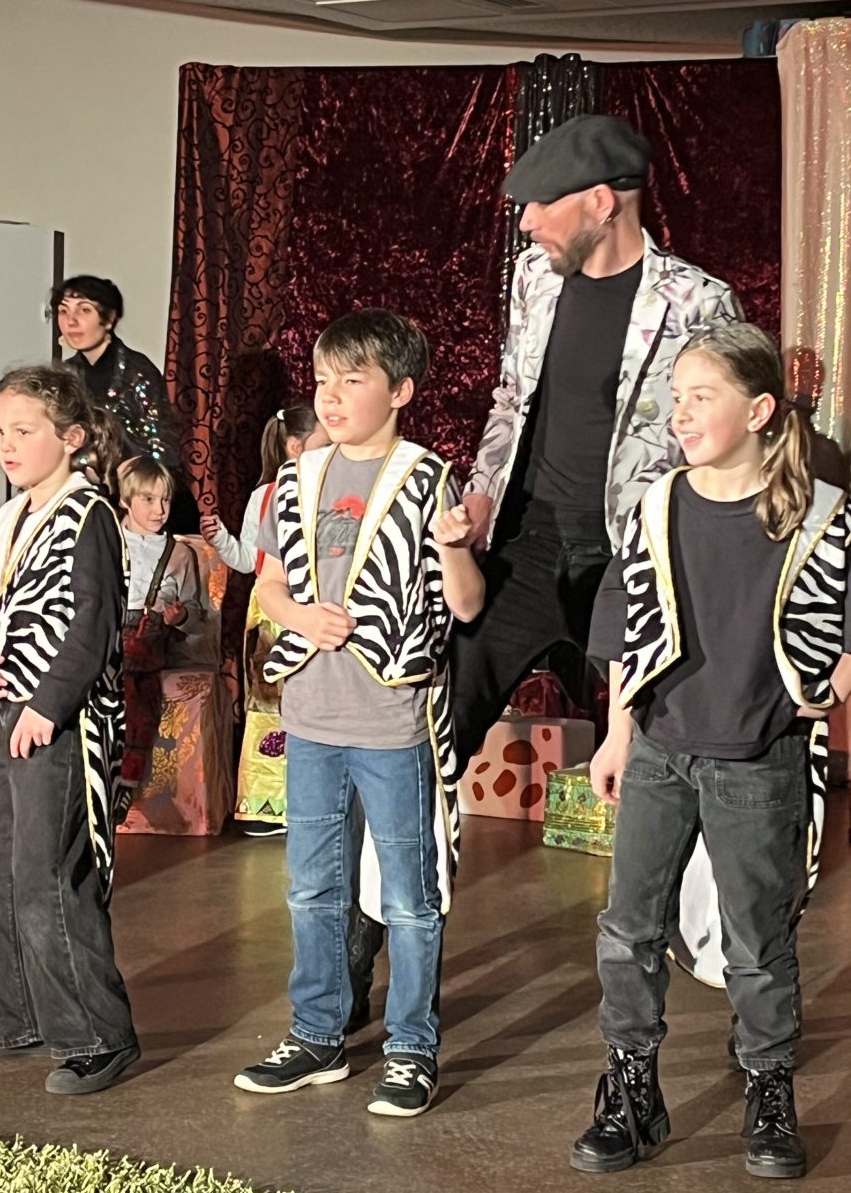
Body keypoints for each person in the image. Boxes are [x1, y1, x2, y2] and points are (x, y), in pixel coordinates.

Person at [572, 322, 851, 1179]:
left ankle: (769, 1089)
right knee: (628, 929)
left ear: (759, 410)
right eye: (676, 398)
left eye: (702, 397)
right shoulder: (659, 504)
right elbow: (629, 623)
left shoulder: (817, 514)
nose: (681, 414)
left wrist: (833, 682)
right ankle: (631, 1092)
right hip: (661, 749)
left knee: (756, 941)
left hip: (758, 760)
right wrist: (618, 733)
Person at [233, 308, 484, 1117]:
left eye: (352, 379)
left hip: (390, 723)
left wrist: (452, 547)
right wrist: (300, 618)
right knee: (311, 888)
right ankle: (317, 1035)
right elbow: (271, 585)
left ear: (400, 391)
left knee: (410, 896)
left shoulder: (427, 479)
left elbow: (466, 605)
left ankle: (412, 1048)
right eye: (322, 380)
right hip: (311, 716)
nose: (331, 396)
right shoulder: (299, 477)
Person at [452, 113, 743, 774]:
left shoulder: (697, 304)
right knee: (448, 709)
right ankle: (405, 841)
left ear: (601, 202)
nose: (527, 222)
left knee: (658, 738)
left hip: (629, 550)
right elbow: (511, 397)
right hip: (528, 537)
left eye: (541, 204)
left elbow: (722, 449)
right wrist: (481, 491)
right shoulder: (534, 277)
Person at [0, 363, 140, 1094]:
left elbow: (93, 623)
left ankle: (96, 1035)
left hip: (59, 723)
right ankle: (14, 1016)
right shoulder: (12, 516)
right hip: (0, 714)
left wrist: (47, 705)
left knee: (47, 878)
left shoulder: (87, 514)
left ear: (72, 438)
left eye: (24, 430)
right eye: (2, 430)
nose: (7, 444)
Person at [200, 404, 329, 837]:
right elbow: (248, 560)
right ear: (295, 447)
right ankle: (265, 806)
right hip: (273, 611)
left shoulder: (332, 488)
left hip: (315, 607)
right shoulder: (268, 495)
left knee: (312, 702)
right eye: (322, 441)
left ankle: (311, 800)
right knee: (268, 704)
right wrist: (221, 539)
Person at [51, 274, 199, 532]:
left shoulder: (137, 372)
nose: (71, 321)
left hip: (137, 503)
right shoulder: (64, 377)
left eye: (84, 310)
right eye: (64, 311)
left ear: (109, 319)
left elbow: (162, 449)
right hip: (80, 499)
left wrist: (124, 476)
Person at [118, 456, 203, 807]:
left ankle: (125, 782)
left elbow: (196, 616)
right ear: (126, 500)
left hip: (149, 638)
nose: (159, 510)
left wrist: (179, 616)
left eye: (165, 500)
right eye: (148, 499)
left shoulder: (179, 554)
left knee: (137, 690)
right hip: (108, 635)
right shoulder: (108, 541)